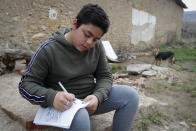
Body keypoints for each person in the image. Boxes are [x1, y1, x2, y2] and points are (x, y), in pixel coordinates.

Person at [18, 3, 139, 131]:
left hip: (89, 100)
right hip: (62, 105)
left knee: (131, 96)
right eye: (87, 35)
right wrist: (52, 97)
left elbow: (105, 76)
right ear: (75, 24)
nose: (89, 43)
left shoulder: (96, 47)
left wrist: (98, 96)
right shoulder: (48, 50)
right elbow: (25, 85)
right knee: (80, 116)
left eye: (95, 39)